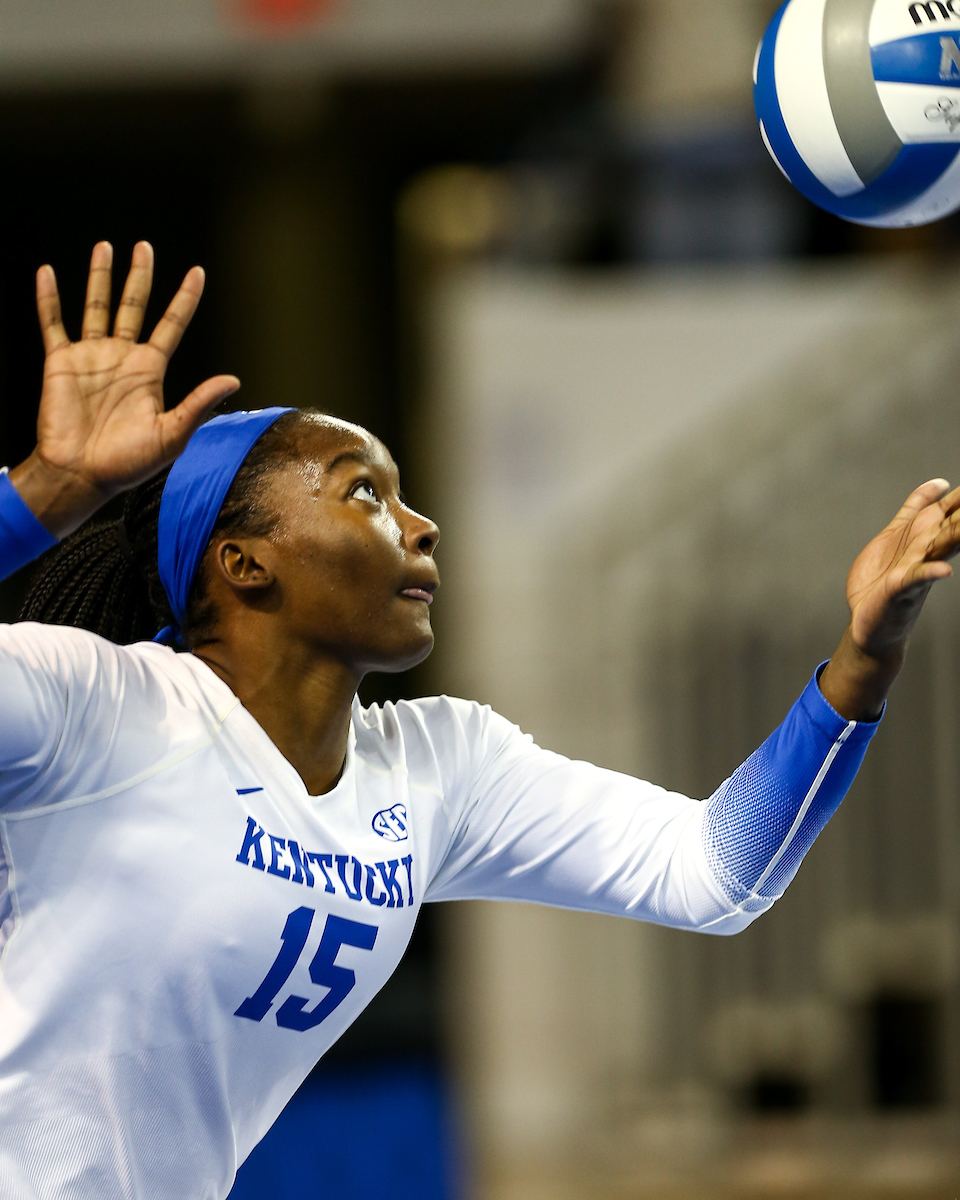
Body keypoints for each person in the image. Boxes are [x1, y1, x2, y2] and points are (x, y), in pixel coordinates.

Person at [0, 242, 957, 1200]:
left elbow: (716, 871)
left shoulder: (438, 768)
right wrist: (47, 488)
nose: (422, 525)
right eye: (364, 491)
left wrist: (863, 662)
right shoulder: (97, 705)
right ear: (247, 564)